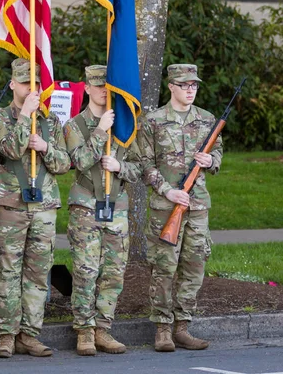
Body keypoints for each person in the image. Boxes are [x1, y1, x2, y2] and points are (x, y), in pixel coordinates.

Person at [0, 57, 71, 359]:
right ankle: (6, 335)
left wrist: (46, 148)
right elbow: (10, 148)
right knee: (7, 271)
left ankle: (29, 334)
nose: (31, 88)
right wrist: (25, 117)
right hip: (9, 206)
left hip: (44, 207)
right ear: (13, 84)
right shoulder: (0, 118)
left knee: (37, 273)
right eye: (24, 83)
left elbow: (63, 164)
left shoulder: (51, 122)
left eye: (36, 83)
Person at [138, 64, 223, 352]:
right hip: (166, 206)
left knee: (194, 266)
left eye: (194, 85)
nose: (190, 90)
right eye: (184, 85)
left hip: (198, 206)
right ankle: (162, 329)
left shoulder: (208, 120)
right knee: (164, 267)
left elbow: (218, 151)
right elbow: (145, 165)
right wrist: (168, 191)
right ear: (171, 86)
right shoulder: (154, 121)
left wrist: (212, 162)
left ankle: (182, 326)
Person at [63, 65, 142, 356]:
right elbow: (81, 161)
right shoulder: (74, 126)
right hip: (85, 205)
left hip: (117, 206)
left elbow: (140, 167)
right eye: (97, 86)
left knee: (113, 272)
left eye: (106, 87)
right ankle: (84, 331)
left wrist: (120, 166)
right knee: (86, 271)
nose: (102, 91)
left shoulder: (126, 126)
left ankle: (103, 329)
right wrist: (100, 131)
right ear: (86, 88)